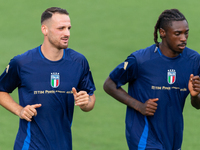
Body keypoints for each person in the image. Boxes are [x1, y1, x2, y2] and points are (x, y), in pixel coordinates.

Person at [0, 7, 96, 150]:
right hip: (29, 145)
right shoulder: (23, 63)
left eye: (69, 28)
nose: (67, 33)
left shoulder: (78, 62)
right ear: (44, 29)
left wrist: (85, 102)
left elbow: (90, 98)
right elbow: (1, 90)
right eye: (61, 28)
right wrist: (19, 110)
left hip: (63, 145)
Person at [103, 9, 200, 150]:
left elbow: (197, 105)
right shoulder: (141, 60)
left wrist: (195, 95)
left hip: (173, 136)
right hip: (143, 136)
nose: (184, 38)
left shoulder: (193, 61)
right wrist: (139, 106)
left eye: (186, 33)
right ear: (163, 33)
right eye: (178, 33)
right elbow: (109, 84)